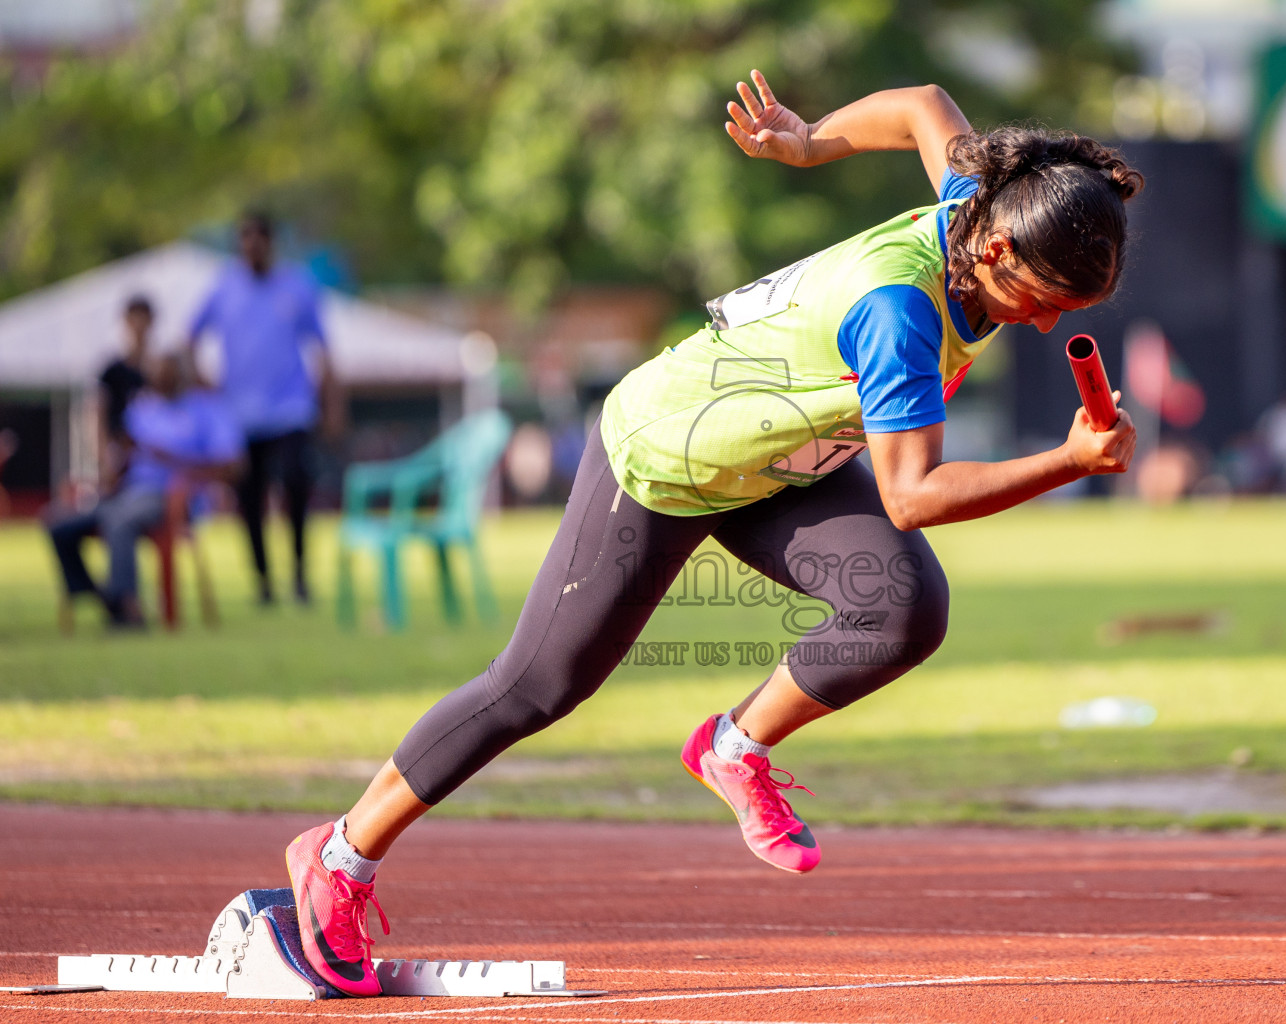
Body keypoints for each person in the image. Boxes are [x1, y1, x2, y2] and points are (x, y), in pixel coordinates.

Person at [282, 72, 1141, 998]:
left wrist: (808, 143)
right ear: (1000, 248)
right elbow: (913, 494)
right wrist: (1068, 462)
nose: (1048, 322)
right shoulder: (898, 315)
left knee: (902, 606)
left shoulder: (975, 206)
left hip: (775, 461)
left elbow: (925, 106)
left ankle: (735, 745)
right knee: (537, 686)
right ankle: (338, 853)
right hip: (667, 455)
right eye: (1045, 296)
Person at [187, 211, 340, 605]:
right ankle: (263, 581)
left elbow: (323, 349)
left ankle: (300, 575)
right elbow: (189, 340)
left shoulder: (297, 286)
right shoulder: (224, 288)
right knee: (249, 500)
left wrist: (331, 403)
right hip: (241, 417)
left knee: (295, 484)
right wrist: (207, 385)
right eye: (245, 238)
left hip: (291, 410)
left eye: (259, 238)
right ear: (239, 244)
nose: (252, 246)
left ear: (271, 243)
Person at [48, 354, 243, 627]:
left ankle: (129, 610)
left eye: (168, 373)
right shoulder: (141, 409)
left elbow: (232, 467)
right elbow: (126, 457)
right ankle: (104, 598)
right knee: (59, 520)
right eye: (156, 372)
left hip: (173, 496)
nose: (161, 379)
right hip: (129, 493)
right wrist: (112, 471)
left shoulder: (207, 408)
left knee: (118, 519)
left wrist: (171, 459)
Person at [98, 296, 154, 494]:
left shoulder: (160, 372)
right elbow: (97, 414)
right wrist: (104, 456)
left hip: (152, 455)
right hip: (120, 450)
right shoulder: (112, 371)